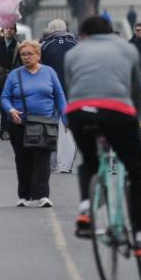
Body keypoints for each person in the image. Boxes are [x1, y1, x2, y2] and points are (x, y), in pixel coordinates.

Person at [65, 15, 141, 255]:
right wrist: (137, 122)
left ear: (84, 35)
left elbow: (72, 87)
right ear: (110, 32)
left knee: (89, 161)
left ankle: (86, 207)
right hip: (117, 112)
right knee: (140, 171)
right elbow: (135, 90)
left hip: (79, 112)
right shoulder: (127, 48)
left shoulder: (73, 53)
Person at [1, 40, 67, 207]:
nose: (26, 57)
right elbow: (5, 97)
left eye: (30, 54)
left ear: (38, 55)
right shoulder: (14, 75)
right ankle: (24, 195)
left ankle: (42, 195)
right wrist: (10, 110)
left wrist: (66, 119)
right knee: (23, 159)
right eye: (23, 54)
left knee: (42, 159)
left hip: (44, 123)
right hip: (19, 123)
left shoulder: (49, 72)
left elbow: (59, 95)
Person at [41, 19, 80, 175]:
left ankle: (52, 163)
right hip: (72, 93)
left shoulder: (44, 46)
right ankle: (66, 164)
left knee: (50, 128)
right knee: (67, 130)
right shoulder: (76, 45)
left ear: (50, 30)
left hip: (50, 93)